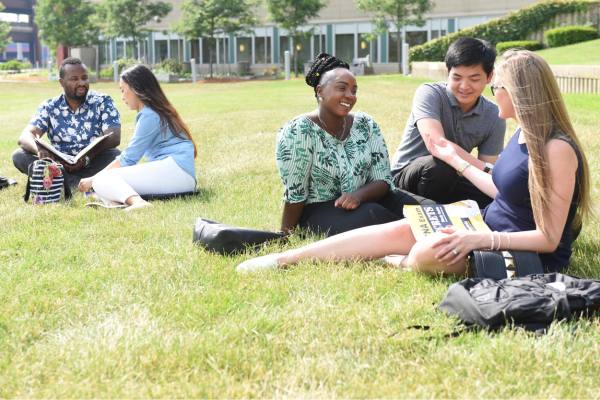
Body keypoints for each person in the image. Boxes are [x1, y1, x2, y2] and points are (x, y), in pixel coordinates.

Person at [237, 49, 591, 275]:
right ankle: (284, 260)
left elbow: (548, 239)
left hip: (521, 253)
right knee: (401, 229)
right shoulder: (521, 134)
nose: (489, 91)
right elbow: (501, 186)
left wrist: (481, 241)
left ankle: (400, 262)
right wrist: (461, 172)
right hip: (487, 226)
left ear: (517, 91)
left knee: (427, 251)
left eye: (494, 84)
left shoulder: (556, 149)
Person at [276, 53, 423, 236]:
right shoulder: (298, 131)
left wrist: (358, 196)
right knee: (375, 216)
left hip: (367, 198)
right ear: (320, 91)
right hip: (320, 210)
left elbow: (383, 180)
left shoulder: (366, 124)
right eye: (342, 88)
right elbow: (295, 194)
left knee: (425, 210)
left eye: (354, 90)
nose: (350, 96)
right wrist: (285, 234)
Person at [390, 37, 506, 209]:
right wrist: (488, 170)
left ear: (489, 77)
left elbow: (486, 173)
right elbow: (438, 146)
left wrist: (491, 175)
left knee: (494, 196)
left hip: (453, 176)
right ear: (448, 72)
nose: (464, 86)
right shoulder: (429, 93)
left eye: (474, 79)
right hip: (407, 177)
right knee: (439, 166)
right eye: (457, 77)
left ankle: (445, 212)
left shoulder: (494, 116)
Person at [77, 64, 197, 211]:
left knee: (102, 179)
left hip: (176, 172)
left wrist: (92, 179)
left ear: (135, 88)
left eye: (123, 90)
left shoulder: (150, 115)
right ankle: (115, 202)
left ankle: (137, 203)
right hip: (180, 175)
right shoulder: (154, 111)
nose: (122, 97)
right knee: (103, 183)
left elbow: (128, 158)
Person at [12, 57, 121, 188]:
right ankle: (76, 183)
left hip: (92, 161)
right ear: (61, 82)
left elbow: (114, 137)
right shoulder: (50, 106)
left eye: (84, 78)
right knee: (19, 155)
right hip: (59, 166)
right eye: (74, 79)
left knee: (115, 156)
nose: (81, 83)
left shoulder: (102, 101)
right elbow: (25, 136)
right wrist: (39, 151)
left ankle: (64, 183)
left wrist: (86, 159)